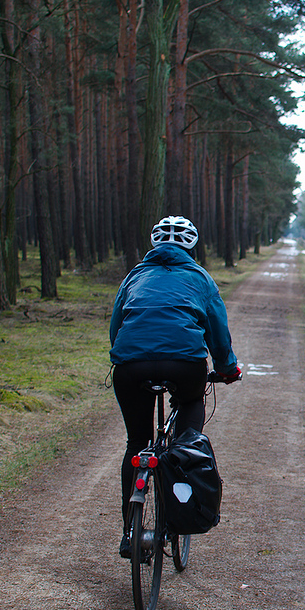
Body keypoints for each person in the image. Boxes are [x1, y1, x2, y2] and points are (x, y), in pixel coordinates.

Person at [109, 215, 241, 557]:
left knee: (137, 443)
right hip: (184, 365)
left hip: (130, 366)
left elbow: (117, 325)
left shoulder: (134, 275)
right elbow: (217, 330)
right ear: (191, 246)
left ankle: (130, 533)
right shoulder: (200, 277)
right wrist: (226, 369)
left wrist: (123, 356)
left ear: (155, 245)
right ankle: (178, 503)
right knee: (187, 439)